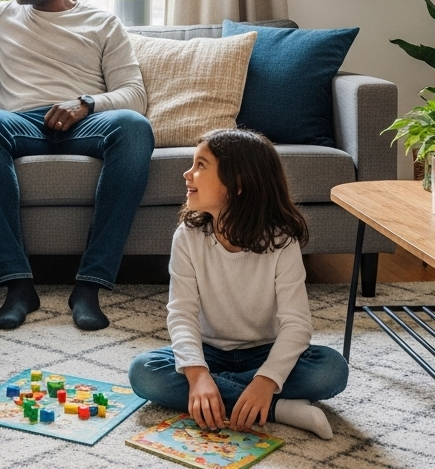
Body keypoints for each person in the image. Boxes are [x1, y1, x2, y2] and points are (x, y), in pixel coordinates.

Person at [0, 0, 154, 332]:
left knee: (135, 127)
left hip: (86, 122)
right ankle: (18, 285)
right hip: (23, 124)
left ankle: (89, 287)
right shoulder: (0, 15)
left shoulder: (102, 22)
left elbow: (134, 95)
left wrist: (84, 104)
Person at [127, 129, 348, 439]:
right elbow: (182, 314)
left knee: (331, 370)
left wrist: (266, 380)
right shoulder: (188, 237)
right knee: (144, 373)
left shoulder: (282, 240)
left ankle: (234, 396)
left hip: (264, 351)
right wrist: (198, 373)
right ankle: (277, 409)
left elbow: (297, 326)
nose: (187, 174)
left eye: (201, 165)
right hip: (209, 352)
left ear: (238, 184)